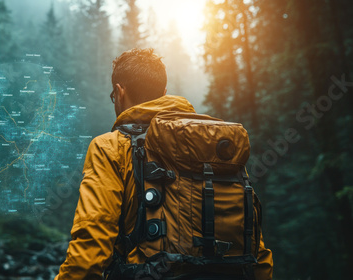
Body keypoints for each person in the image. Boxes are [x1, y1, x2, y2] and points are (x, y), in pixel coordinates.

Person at [54, 48, 273, 279]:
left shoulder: (110, 147)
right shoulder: (217, 148)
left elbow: (91, 245)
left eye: (113, 96)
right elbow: (253, 244)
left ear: (119, 92)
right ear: (164, 93)